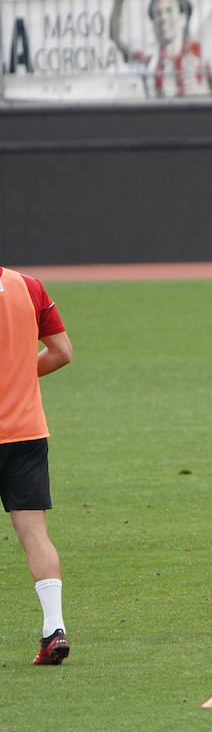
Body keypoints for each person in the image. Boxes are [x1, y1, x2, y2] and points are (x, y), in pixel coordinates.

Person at [0, 265, 74, 664]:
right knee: (35, 535)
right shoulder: (28, 286)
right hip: (26, 433)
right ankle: (54, 628)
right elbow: (62, 352)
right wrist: (17, 377)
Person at [110, 0, 212, 98]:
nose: (163, 18)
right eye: (158, 13)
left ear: (183, 18)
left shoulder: (199, 54)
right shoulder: (148, 59)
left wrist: (201, 93)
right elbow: (117, 38)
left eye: (169, 11)